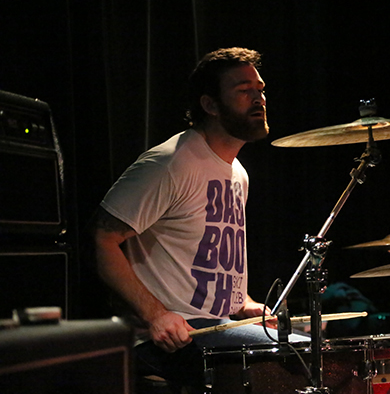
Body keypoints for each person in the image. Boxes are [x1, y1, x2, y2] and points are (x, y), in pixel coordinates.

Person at [93, 47, 307, 391]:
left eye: (261, 89)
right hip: (167, 338)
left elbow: (212, 260)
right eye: (244, 90)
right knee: (306, 362)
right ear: (210, 105)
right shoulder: (169, 163)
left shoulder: (238, 173)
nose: (259, 99)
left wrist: (246, 305)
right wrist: (156, 315)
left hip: (215, 326)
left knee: (320, 354)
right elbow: (102, 239)